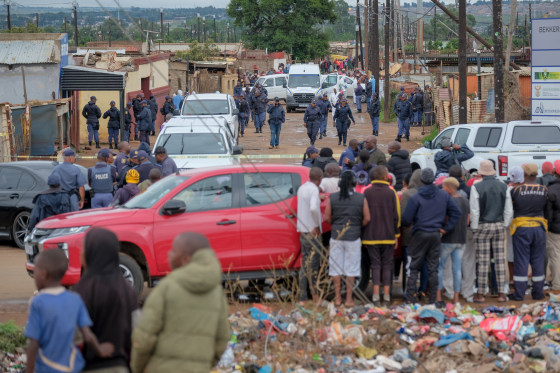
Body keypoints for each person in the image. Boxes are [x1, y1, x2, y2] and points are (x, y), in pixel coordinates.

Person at [130, 232, 230, 373]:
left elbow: (144, 338)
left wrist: (137, 367)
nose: (169, 255)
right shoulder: (217, 294)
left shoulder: (166, 288)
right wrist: (203, 365)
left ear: (185, 259)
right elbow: (222, 340)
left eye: (173, 251)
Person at [25, 250, 113, 373]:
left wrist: (29, 370)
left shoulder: (37, 303)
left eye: (35, 272)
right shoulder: (75, 299)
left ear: (44, 274)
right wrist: (100, 350)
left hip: (47, 367)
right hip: (74, 366)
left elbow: (33, 343)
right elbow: (87, 336)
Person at [74, 228, 138, 373]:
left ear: (92, 252)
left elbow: (74, 337)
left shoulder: (82, 290)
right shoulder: (127, 290)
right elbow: (138, 335)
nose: (81, 252)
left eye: (84, 247)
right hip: (121, 367)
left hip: (88, 367)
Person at [402, 168, 461, 304]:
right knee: (433, 268)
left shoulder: (416, 197)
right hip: (435, 234)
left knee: (413, 268)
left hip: (419, 234)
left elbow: (406, 219)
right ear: (433, 179)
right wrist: (446, 228)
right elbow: (456, 213)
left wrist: (412, 223)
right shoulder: (443, 195)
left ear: (421, 180)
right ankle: (433, 300)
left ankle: (410, 300)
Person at [324, 170, 370, 307]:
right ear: (354, 182)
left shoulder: (333, 197)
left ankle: (338, 298)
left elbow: (327, 217)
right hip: (353, 237)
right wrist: (356, 225)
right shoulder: (361, 198)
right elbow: (367, 218)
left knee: (335, 268)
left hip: (336, 237)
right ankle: (349, 299)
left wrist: (336, 224)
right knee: (352, 269)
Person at [470, 160, 513, 303]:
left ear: (481, 172)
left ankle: (481, 294)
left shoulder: (476, 187)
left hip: (482, 225)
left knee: (482, 260)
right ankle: (501, 293)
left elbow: (474, 210)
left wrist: (474, 227)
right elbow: (508, 209)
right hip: (499, 224)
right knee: (500, 260)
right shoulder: (503, 186)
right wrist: (505, 224)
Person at [509, 164, 548, 301]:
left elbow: (510, 209)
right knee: (538, 260)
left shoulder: (516, 191)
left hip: (522, 228)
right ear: (537, 175)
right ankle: (538, 293)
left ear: (524, 175)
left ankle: (519, 294)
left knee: (521, 260)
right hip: (539, 227)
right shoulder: (544, 190)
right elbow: (547, 211)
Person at [362, 166, 401, 306]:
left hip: (370, 236)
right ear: (385, 177)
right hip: (389, 235)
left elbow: (363, 214)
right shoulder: (392, 193)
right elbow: (396, 215)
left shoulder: (366, 192)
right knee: (387, 265)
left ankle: (375, 296)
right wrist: (396, 234)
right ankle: (386, 296)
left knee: (375, 265)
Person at [435, 177, 470, 307]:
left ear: (449, 188)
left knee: (440, 267)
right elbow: (467, 221)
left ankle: (438, 295)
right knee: (457, 269)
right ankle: (456, 298)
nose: (442, 190)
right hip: (461, 239)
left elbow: (444, 219)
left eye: (444, 187)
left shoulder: (447, 201)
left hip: (448, 239)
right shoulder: (465, 201)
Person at [296, 167, 323, 304]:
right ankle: (315, 297)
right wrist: (317, 225)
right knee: (313, 265)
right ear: (320, 179)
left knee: (305, 264)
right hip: (312, 231)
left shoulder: (303, 188)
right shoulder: (314, 190)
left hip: (302, 230)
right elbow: (313, 208)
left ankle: (303, 297)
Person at [545, 160, 560, 295]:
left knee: (555, 256)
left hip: (555, 229)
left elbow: (548, 214)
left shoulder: (551, 190)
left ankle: (556, 285)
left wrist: (547, 227)